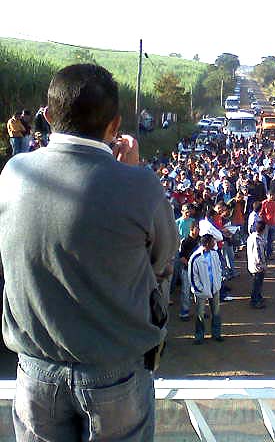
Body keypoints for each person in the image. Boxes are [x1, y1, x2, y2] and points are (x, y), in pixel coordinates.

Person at [0, 64, 178, 440]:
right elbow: (162, 260)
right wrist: (132, 172)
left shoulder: (14, 173)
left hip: (35, 372)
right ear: (115, 126)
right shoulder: (141, 184)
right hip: (116, 373)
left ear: (47, 118)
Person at [188, 233, 224, 343]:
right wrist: (200, 290)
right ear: (207, 243)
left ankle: (216, 334)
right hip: (201, 291)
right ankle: (199, 336)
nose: (215, 243)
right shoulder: (195, 257)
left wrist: (218, 283)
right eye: (213, 241)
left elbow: (218, 268)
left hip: (215, 288)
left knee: (216, 313)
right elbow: (193, 277)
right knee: (200, 314)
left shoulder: (214, 254)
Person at [178, 222, 200, 321]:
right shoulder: (185, 241)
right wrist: (190, 265)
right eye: (197, 228)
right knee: (185, 292)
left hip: (197, 270)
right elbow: (181, 257)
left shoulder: (199, 240)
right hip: (187, 270)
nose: (199, 230)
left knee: (199, 291)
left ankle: (200, 311)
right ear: (192, 229)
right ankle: (184, 312)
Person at [247, 220, 268, 309]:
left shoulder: (252, 237)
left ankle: (258, 296)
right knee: (257, 283)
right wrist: (263, 265)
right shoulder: (257, 240)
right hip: (257, 266)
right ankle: (254, 301)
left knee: (258, 283)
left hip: (252, 263)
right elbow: (259, 254)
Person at [260, 191, 275, 259]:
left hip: (274, 224)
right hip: (266, 225)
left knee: (271, 240)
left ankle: (269, 254)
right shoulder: (264, 203)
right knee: (265, 240)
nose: (272, 196)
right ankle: (264, 254)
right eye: (270, 195)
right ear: (267, 195)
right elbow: (261, 213)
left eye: (273, 195)